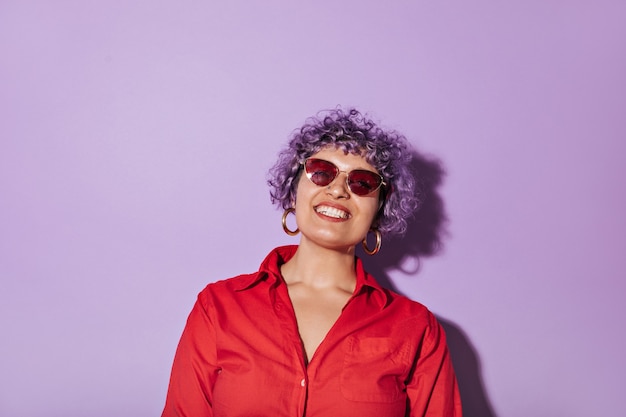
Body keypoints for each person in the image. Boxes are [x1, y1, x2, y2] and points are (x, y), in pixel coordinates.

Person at [161, 108, 462, 416]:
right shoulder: (218, 307)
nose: (337, 190)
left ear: (379, 210)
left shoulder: (416, 330)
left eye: (361, 183)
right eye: (321, 172)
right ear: (294, 190)